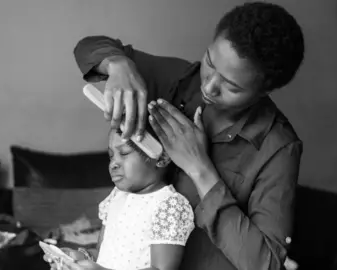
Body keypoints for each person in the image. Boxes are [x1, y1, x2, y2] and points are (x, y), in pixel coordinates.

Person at [72, 2, 304, 270]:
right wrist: (118, 65)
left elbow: (267, 264)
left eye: (231, 86)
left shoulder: (278, 148)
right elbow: (88, 47)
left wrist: (200, 169)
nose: (208, 86)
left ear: (264, 90)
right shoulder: (176, 79)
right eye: (209, 61)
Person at [44, 128, 196, 270]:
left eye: (124, 153)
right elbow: (102, 255)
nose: (113, 164)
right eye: (111, 156)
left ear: (161, 158)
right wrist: (78, 258)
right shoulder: (116, 197)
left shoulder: (169, 205)